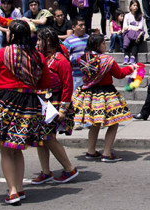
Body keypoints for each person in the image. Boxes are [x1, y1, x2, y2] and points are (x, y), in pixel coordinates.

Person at [0, 19, 53, 204]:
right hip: (29, 104)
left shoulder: (2, 53)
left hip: (6, 101)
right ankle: (20, 188)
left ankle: (13, 190)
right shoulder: (38, 56)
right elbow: (46, 82)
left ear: (12, 35)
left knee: (6, 150)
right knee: (18, 147)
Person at [73, 33, 134, 162]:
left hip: (88, 95)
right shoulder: (107, 60)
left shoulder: (82, 59)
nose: (105, 46)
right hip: (106, 94)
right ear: (97, 46)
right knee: (113, 123)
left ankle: (90, 151)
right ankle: (106, 153)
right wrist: (131, 68)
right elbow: (120, 74)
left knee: (95, 123)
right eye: (103, 44)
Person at [31, 27, 79, 185]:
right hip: (43, 103)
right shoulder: (43, 58)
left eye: (40, 40)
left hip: (56, 104)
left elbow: (68, 85)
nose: (37, 43)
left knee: (48, 137)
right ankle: (45, 171)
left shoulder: (60, 60)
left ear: (48, 41)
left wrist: (63, 110)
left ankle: (69, 168)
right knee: (41, 138)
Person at [63, 18, 89, 91]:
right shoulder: (68, 42)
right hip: (76, 77)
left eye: (84, 25)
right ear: (73, 27)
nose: (83, 27)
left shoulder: (89, 38)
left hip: (89, 76)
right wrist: (77, 58)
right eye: (80, 25)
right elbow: (65, 58)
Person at [122, 0, 146, 66]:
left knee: (134, 41)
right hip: (128, 34)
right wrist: (133, 28)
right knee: (127, 38)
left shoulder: (141, 16)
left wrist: (130, 27)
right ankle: (126, 56)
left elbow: (140, 27)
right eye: (134, 5)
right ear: (130, 7)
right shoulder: (127, 16)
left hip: (137, 35)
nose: (135, 7)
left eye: (137, 5)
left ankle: (133, 57)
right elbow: (124, 27)